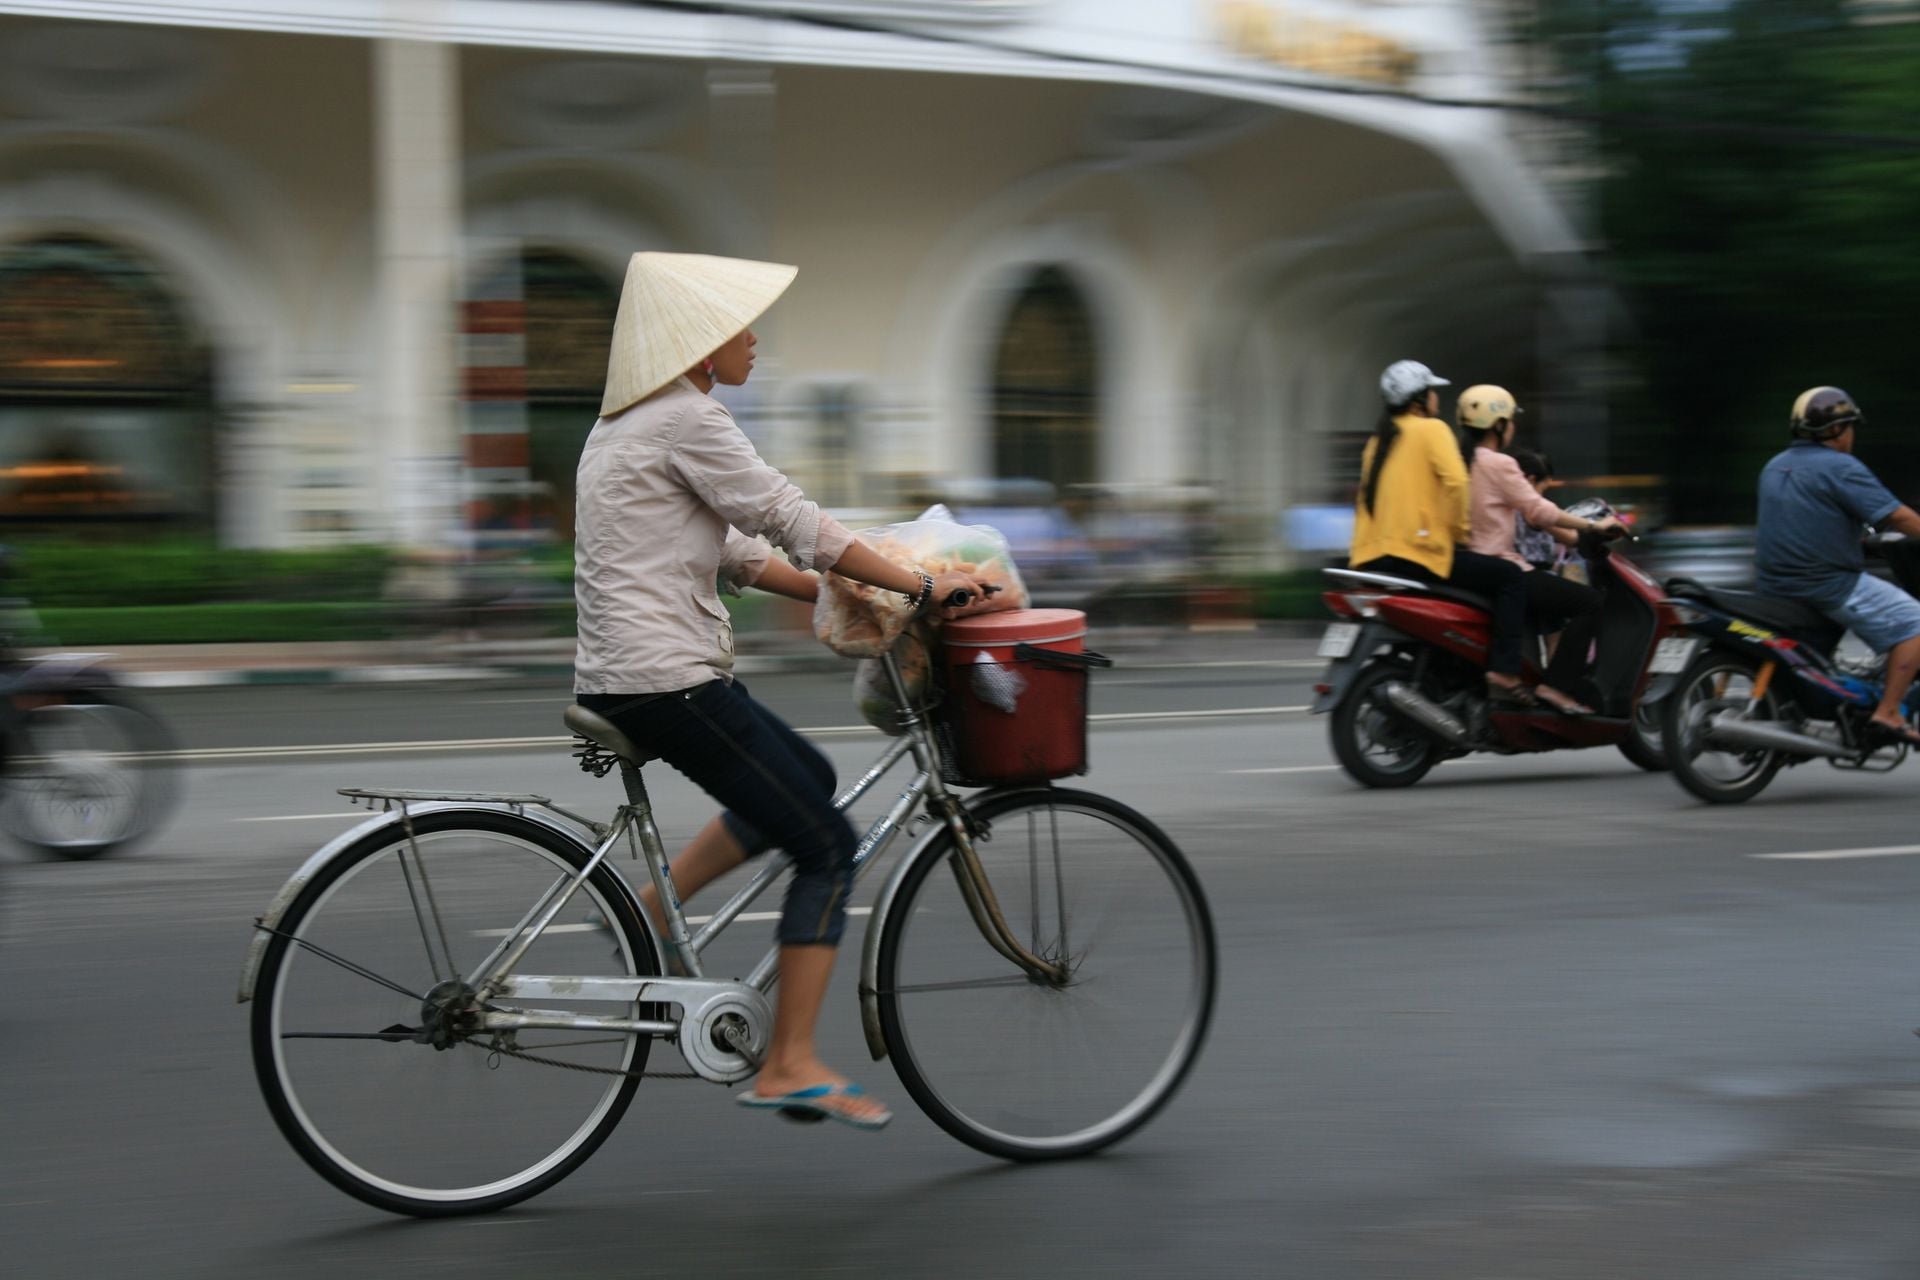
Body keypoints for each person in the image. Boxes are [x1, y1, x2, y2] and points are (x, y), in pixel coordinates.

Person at [571, 252, 991, 1130]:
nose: (754, 339)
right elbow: (791, 520)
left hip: (632, 679)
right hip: (667, 682)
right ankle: (790, 1062)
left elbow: (739, 554)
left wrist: (857, 592)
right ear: (698, 342)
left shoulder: (623, 428)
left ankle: (648, 910)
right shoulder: (687, 419)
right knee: (829, 844)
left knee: (804, 777)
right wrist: (915, 589)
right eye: (741, 326)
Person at [1348, 360, 1535, 704]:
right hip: (1413, 555)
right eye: (1432, 391)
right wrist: (1458, 533)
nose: (1436, 398)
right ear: (1420, 400)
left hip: (1369, 557)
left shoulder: (1378, 442)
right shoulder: (1431, 429)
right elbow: (1456, 483)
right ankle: (1505, 672)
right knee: (1509, 577)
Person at [1755, 386, 1920, 748]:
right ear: (1836, 430)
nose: (1851, 435)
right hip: (1827, 584)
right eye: (1849, 427)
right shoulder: (1840, 466)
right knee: (1915, 624)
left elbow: (1805, 523)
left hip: (1775, 587)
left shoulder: (1774, 466)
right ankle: (1889, 712)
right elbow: (1898, 516)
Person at [1457, 386, 1623, 711]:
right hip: (1501, 565)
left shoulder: (1459, 461)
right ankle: (1557, 687)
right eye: (1511, 422)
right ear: (1499, 424)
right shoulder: (1499, 463)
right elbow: (1538, 510)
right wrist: (1593, 526)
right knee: (1590, 603)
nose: (1513, 428)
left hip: (1465, 564)